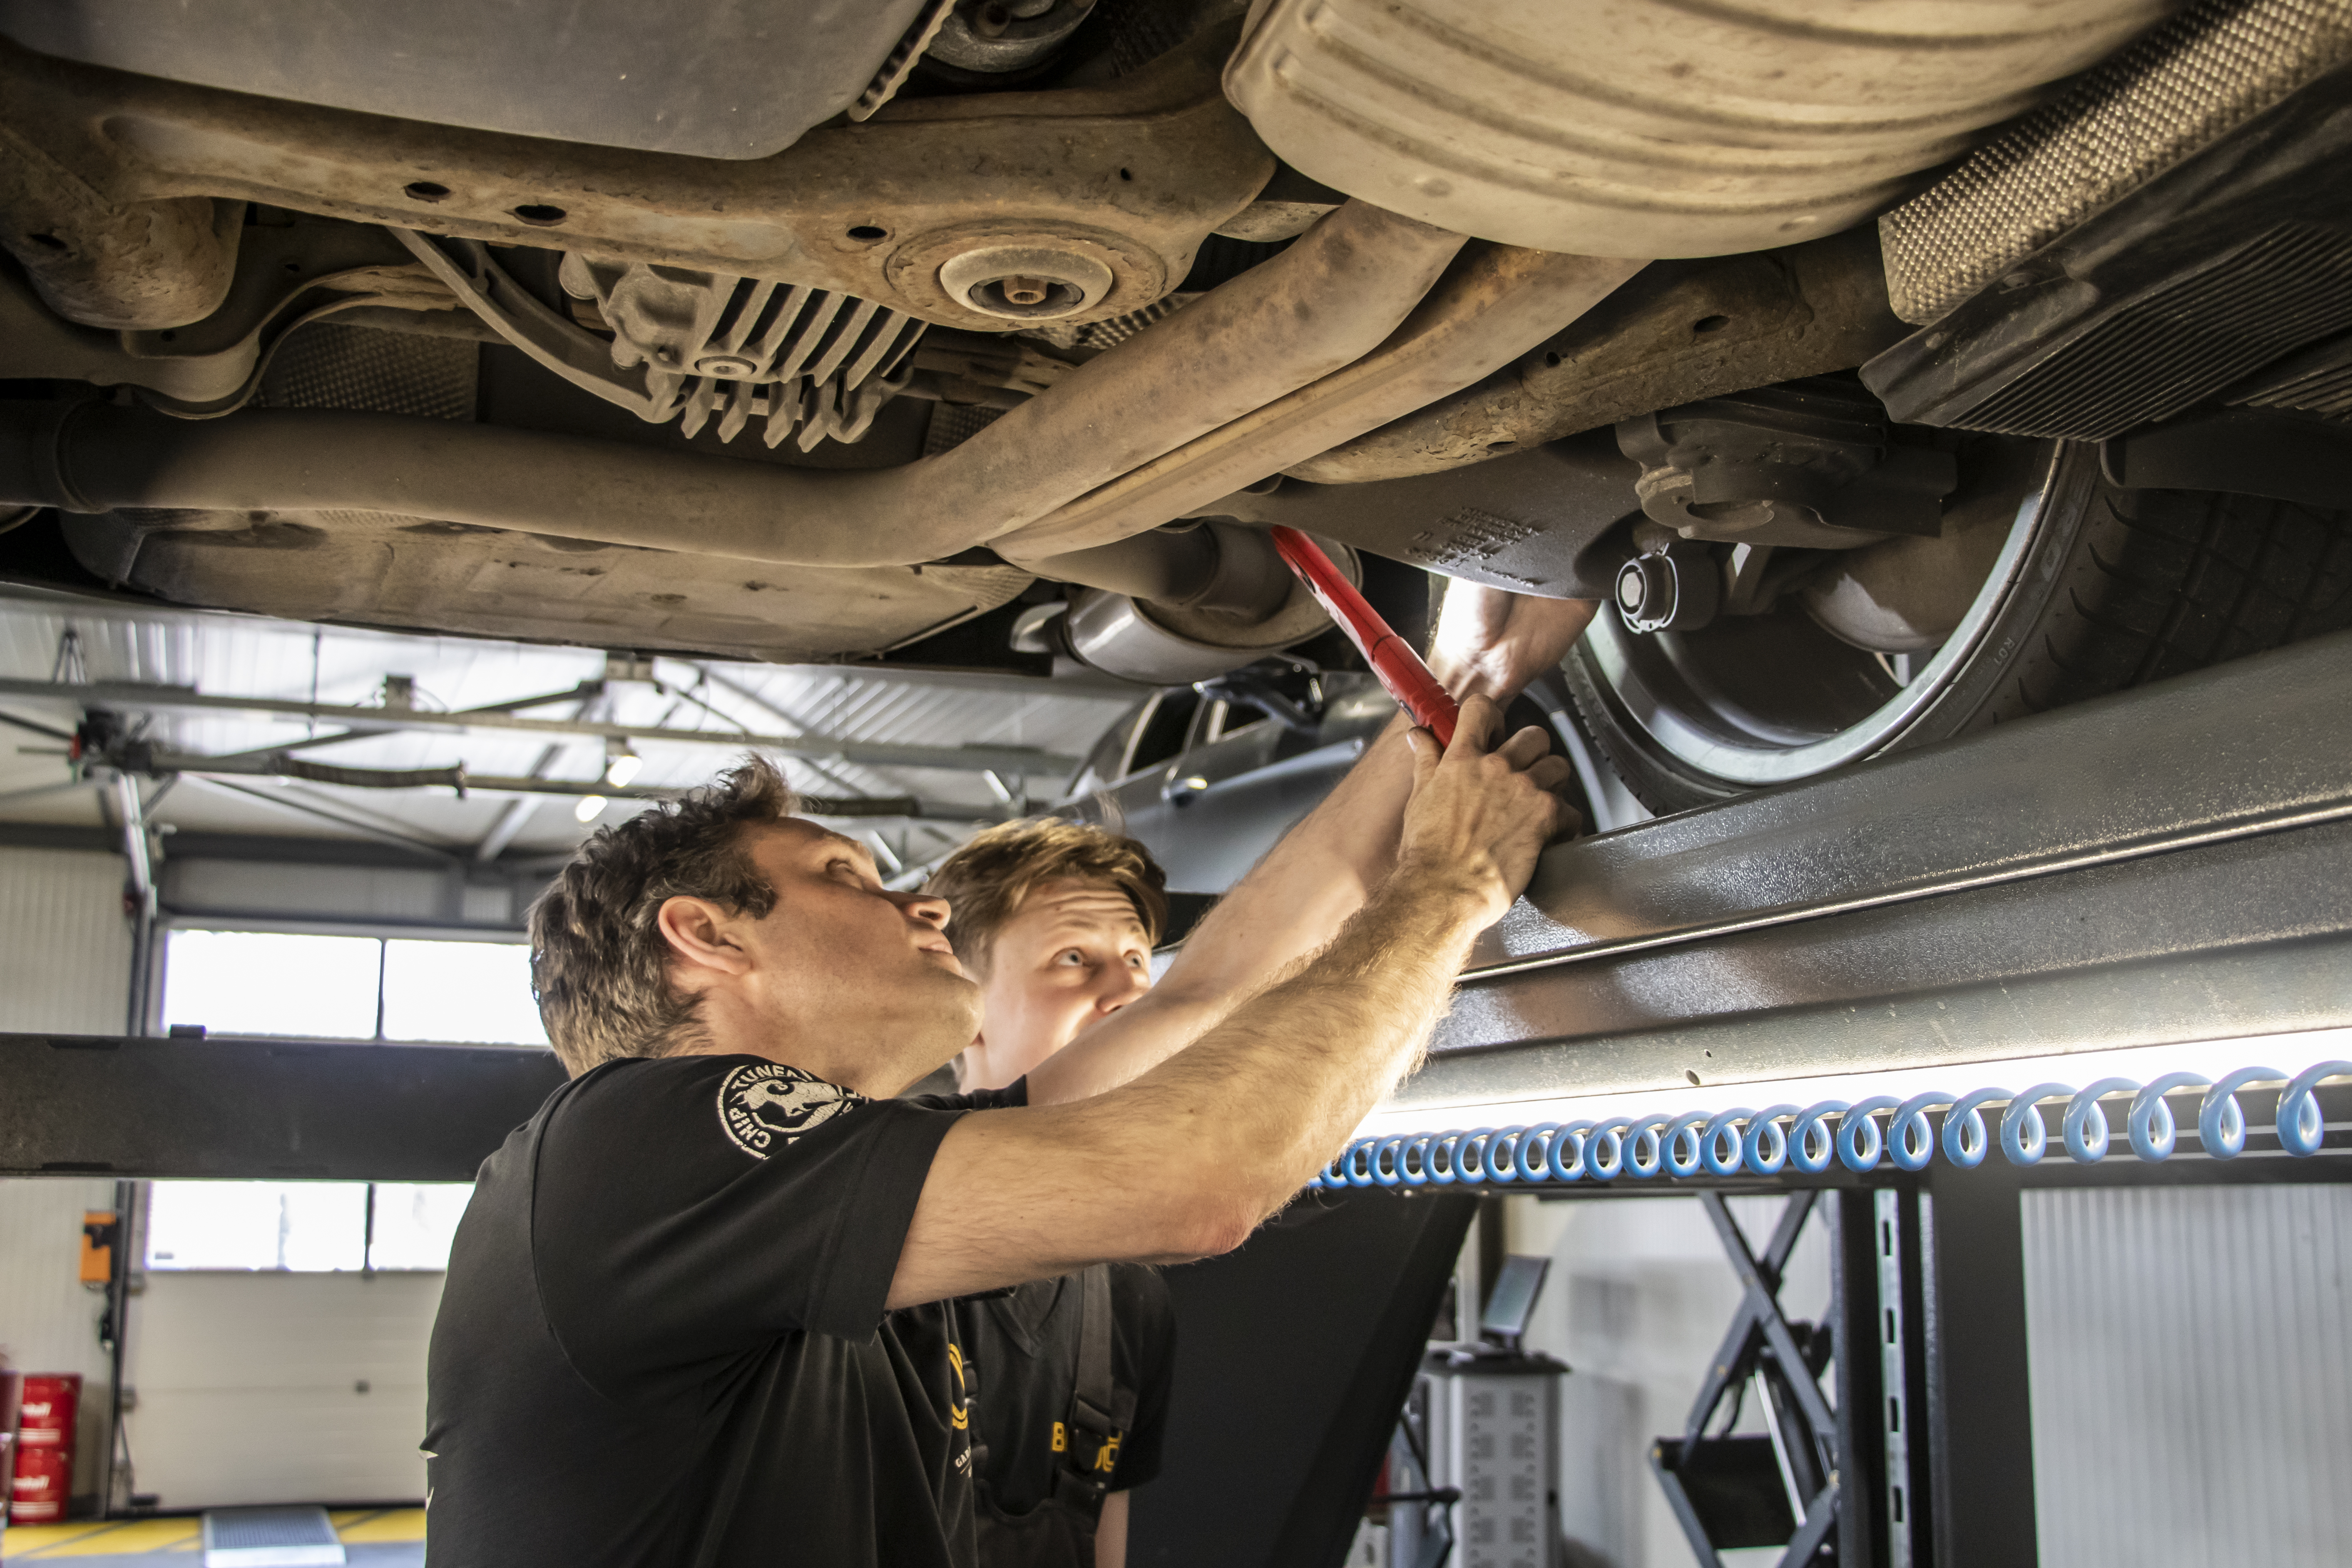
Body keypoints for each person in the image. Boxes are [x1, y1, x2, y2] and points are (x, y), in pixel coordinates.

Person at [421, 587, 1596, 1568]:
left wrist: (1455, 678)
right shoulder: (633, 1143)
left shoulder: (832, 1203)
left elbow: (1203, 999)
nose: (919, 901)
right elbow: (1200, 1182)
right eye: (845, 874)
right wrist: (1448, 889)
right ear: (709, 938)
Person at [921, 821, 1176, 1568]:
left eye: (1136, 959)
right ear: (960, 1013)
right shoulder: (869, 1256)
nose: (1131, 991)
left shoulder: (1131, 1296)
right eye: (1074, 960)